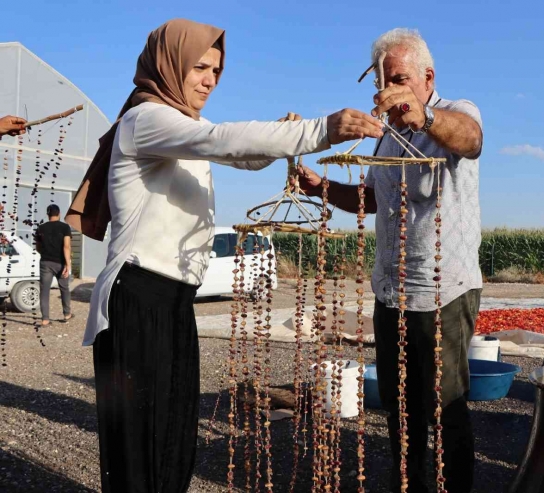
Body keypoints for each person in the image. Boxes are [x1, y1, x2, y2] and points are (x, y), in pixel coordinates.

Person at [65, 18, 383, 493]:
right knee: (140, 440)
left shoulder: (184, 125)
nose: (209, 80)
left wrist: (281, 135)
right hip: (138, 293)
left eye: (216, 70)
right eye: (198, 67)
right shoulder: (145, 119)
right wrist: (320, 130)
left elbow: (242, 155)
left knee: (174, 431)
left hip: (172, 297)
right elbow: (221, 142)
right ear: (168, 65)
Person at [297, 28, 483, 493]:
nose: (388, 93)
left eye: (398, 79)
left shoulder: (456, 114)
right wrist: (320, 188)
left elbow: (471, 139)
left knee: (445, 409)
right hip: (392, 294)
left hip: (443, 293)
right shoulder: (387, 138)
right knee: (401, 410)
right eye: (382, 82)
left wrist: (423, 116)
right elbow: (372, 199)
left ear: (427, 77)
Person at [35, 204, 73, 326]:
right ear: (59, 213)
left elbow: (38, 247)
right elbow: (66, 246)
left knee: (44, 290)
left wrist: (45, 253)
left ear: (48, 215)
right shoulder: (65, 227)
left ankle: (45, 319)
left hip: (45, 263)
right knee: (64, 288)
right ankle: (67, 314)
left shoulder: (41, 228)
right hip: (60, 262)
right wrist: (68, 264)